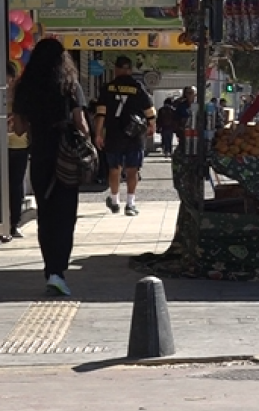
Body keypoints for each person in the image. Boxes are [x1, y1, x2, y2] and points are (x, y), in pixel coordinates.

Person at [12, 39, 89, 296]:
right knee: (65, 215)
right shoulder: (70, 85)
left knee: (46, 215)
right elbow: (81, 124)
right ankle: (59, 270)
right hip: (66, 155)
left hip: (41, 155)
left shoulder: (25, 87)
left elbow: (20, 129)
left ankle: (51, 270)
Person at [94, 56, 156, 216]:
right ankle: (130, 204)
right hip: (134, 134)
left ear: (116, 69)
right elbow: (150, 111)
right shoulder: (138, 87)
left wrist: (98, 133)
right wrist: (152, 126)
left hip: (113, 134)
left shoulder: (107, 88)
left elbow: (101, 112)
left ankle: (114, 201)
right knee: (132, 169)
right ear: (130, 70)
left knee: (114, 169)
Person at [0, 63, 28, 243]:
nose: (5, 83)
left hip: (18, 145)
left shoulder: (19, 95)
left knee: (15, 185)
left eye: (7, 78)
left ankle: (14, 223)